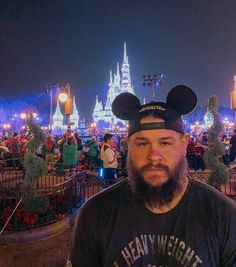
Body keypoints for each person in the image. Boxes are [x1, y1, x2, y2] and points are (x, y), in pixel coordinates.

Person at [67, 86, 236, 266]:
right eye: (142, 144)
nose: (154, 155)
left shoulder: (224, 215)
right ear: (128, 146)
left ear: (184, 144)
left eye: (165, 143)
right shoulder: (94, 214)